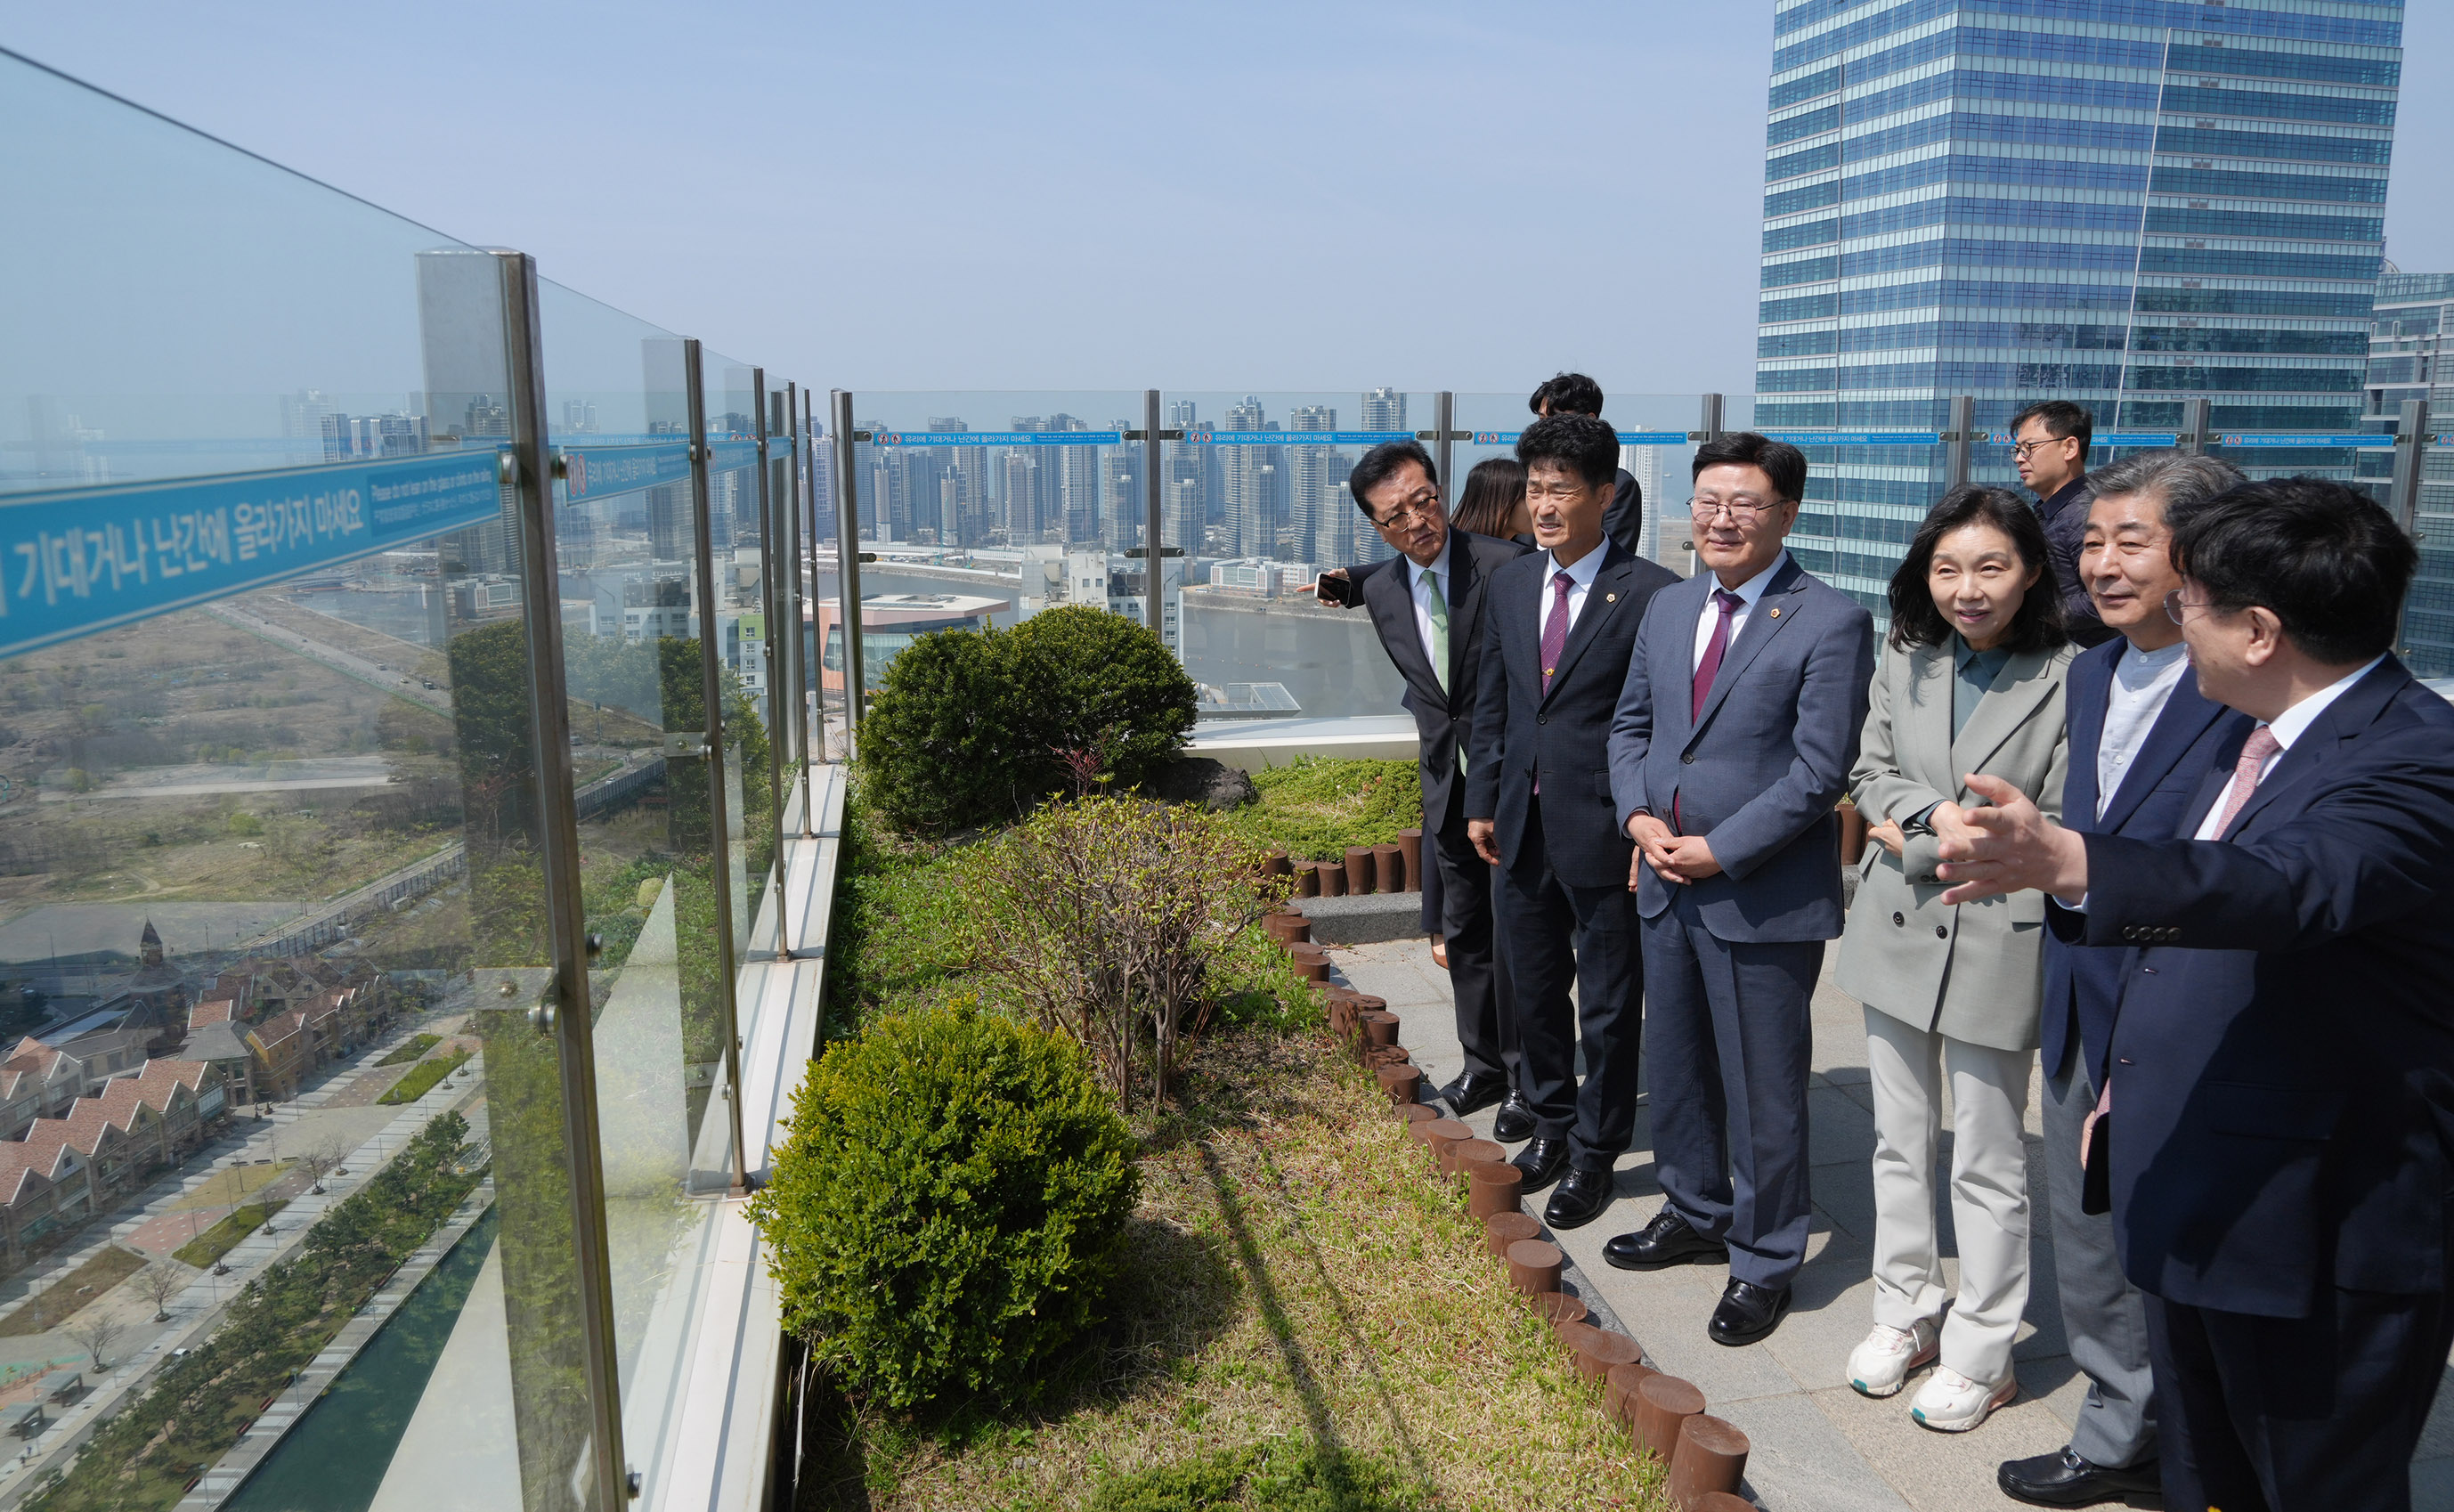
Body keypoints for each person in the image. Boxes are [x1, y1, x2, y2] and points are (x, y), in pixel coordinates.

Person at [1933, 477, 2454, 1512]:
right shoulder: (2254, 731)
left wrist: (2071, 861)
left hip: (2310, 1232)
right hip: (2198, 1186)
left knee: (2311, 1485)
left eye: (2193, 605)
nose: (2176, 618)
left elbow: (2285, 887)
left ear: (2257, 631)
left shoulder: (2414, 758)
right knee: (2203, 1476)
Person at [1996, 451, 2249, 1508]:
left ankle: (2194, 1437)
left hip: (2187, 1001)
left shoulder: (2240, 682)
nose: (2099, 563)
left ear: (2196, 551)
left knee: (2180, 1234)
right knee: (2086, 1227)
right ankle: (2116, 1428)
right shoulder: (2091, 667)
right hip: (2079, 980)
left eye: (2127, 541)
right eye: (2090, 540)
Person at [1603, 432, 1873, 1348]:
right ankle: (1692, 1208)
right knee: (1674, 1064)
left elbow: (1817, 770)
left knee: (1762, 1088)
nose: (1719, 519)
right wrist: (1637, 818)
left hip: (1755, 892)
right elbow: (1631, 727)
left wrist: (1719, 849)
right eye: (1707, 501)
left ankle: (1763, 1257)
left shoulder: (1827, 619)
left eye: (1743, 504)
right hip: (1662, 878)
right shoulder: (1669, 607)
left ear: (1785, 514)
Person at [1834, 486, 2074, 1432]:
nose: (1965, 589)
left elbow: (2047, 820)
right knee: (1896, 1140)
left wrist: (1919, 832)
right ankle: (1904, 1309)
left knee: (1984, 1156)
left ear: (2029, 572)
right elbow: (1867, 769)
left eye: (1989, 567)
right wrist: (1935, 816)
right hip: (1895, 929)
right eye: (1945, 568)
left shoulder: (2068, 673)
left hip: (1996, 933)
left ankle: (1983, 1345)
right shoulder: (1905, 655)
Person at [1465, 413, 1679, 1229]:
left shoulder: (1654, 593)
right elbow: (1495, 700)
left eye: (1560, 489)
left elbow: (1662, 726)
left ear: (1605, 494)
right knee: (1537, 987)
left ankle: (1597, 1151)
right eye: (1533, 489)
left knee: (1613, 1001)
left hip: (1604, 825)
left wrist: (1642, 822)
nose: (1543, 505)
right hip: (1519, 817)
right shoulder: (1513, 582)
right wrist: (1484, 797)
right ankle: (1550, 1122)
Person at [1345, 440, 1532, 1125]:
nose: (1420, 519)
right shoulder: (1383, 590)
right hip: (1444, 789)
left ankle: (1525, 1080)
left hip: (1510, 788)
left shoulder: (1508, 567)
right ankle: (1480, 1066)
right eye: (1399, 514)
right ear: (1378, 527)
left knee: (1519, 939)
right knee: (1466, 932)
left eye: (1426, 499)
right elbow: (1432, 694)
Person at [2010, 400, 2111, 648]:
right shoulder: (2055, 510)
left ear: (2069, 448)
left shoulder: (2086, 513)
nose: (2019, 459)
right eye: (2017, 450)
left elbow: (2107, 596)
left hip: (2083, 658)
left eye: (2029, 447)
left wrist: (2036, 613)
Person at [1529, 372, 1645, 558]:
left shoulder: (1620, 484)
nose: (1545, 429)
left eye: (1556, 419)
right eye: (1542, 420)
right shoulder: (1526, 477)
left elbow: (1616, 557)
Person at [1450, 456, 1532, 543]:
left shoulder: (1525, 554)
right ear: (1500, 503)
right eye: (1528, 497)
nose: (1540, 507)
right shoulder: (1449, 551)